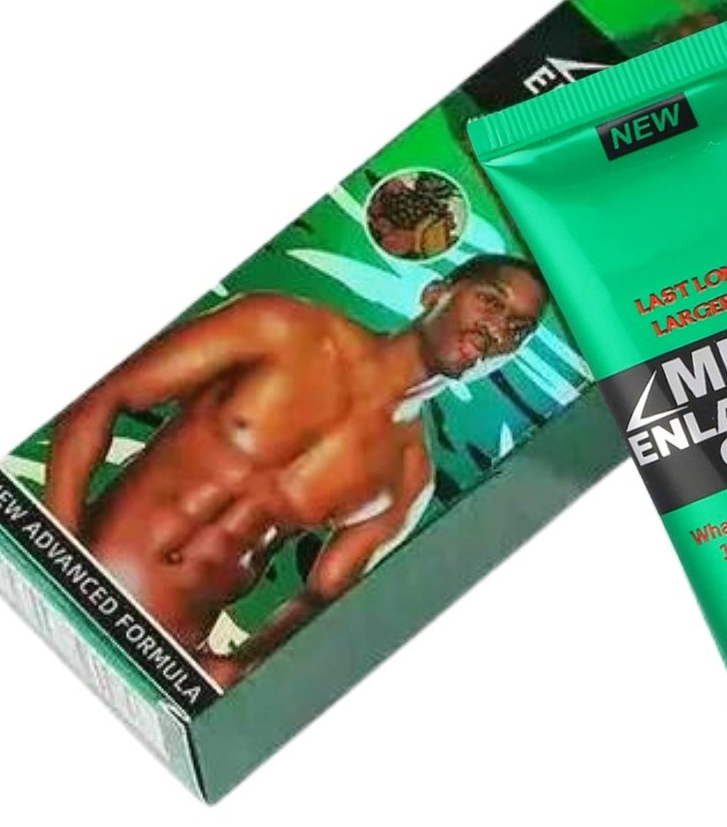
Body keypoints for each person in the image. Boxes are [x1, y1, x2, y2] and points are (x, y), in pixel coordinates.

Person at [45, 255, 547, 687]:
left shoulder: (410, 478)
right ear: (435, 292)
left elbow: (322, 597)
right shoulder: (282, 327)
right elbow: (105, 397)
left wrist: (241, 664)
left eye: (517, 330)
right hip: (71, 572)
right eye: (491, 302)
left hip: (158, 655)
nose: (496, 330)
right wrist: (59, 554)